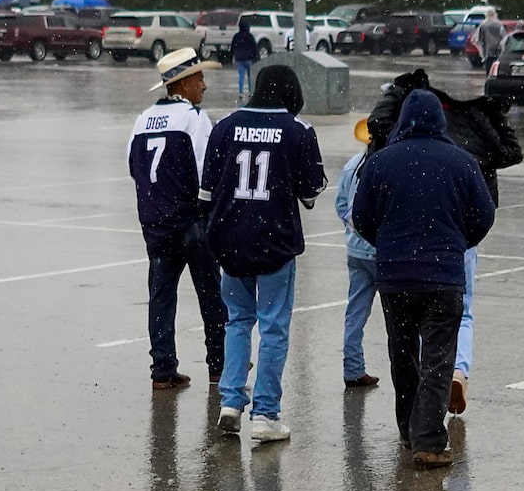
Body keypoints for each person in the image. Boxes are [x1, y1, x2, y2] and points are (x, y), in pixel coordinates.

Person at [351, 89, 497, 466]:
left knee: (402, 353)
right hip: (443, 276)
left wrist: (388, 245)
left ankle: (407, 429)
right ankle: (429, 439)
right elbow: (484, 215)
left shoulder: (381, 162)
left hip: (395, 277)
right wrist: (456, 242)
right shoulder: (462, 162)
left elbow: (361, 217)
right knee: (437, 357)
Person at [364, 68, 522, 416]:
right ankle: (455, 374)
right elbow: (510, 154)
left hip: (401, 254)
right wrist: (497, 115)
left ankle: (414, 418)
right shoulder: (472, 136)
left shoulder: (393, 148)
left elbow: (377, 125)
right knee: (456, 318)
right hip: (453, 243)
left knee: (405, 340)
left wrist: (396, 91)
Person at [204, 63, 326, 444]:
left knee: (237, 322)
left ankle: (230, 400)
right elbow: (310, 193)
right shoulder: (298, 131)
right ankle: (266, 413)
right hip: (274, 241)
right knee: (273, 327)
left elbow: (205, 195)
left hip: (230, 241)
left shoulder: (223, 127)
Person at [129, 47, 224, 391]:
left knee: (161, 297)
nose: (204, 85)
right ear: (183, 84)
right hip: (190, 221)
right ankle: (219, 365)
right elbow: (207, 171)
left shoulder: (142, 120)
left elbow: (133, 169)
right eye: (199, 78)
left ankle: (163, 368)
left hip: (155, 224)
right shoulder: (194, 118)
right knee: (211, 295)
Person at [332, 128, 378, 390]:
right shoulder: (384, 166)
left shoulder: (352, 165)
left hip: (356, 250)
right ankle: (414, 370)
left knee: (356, 312)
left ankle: (353, 368)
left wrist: (353, 231)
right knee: (402, 316)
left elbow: (341, 205)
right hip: (382, 251)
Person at [229, 15, 262, 98]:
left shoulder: (236, 36)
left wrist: (232, 57)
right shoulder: (249, 36)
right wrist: (257, 57)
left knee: (241, 76)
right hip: (249, 59)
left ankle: (241, 92)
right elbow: (254, 47)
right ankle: (251, 92)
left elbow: (233, 47)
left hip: (239, 59)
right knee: (250, 76)